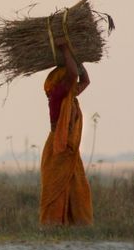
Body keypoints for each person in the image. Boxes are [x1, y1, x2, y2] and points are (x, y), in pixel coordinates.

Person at [39, 39, 93, 226]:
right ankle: (52, 225)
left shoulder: (70, 95)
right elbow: (71, 74)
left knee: (76, 188)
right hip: (58, 150)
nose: (72, 81)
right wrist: (65, 50)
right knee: (56, 191)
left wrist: (79, 61)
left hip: (70, 152)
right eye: (67, 81)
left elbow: (85, 79)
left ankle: (77, 223)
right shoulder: (57, 95)